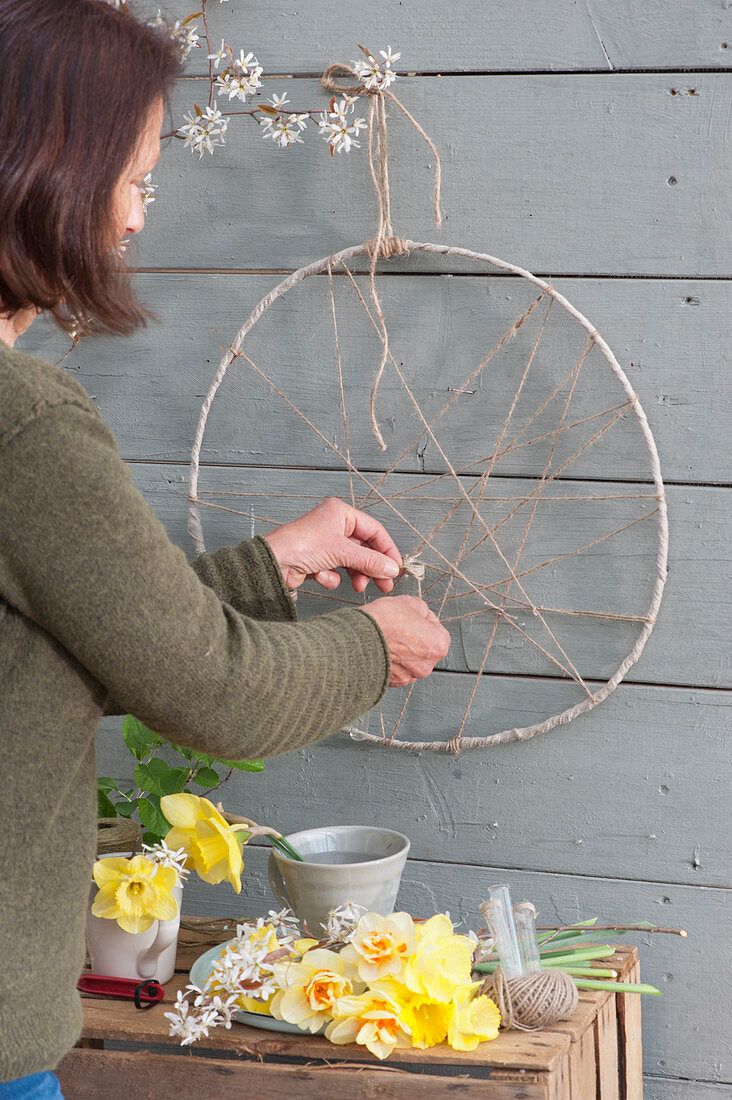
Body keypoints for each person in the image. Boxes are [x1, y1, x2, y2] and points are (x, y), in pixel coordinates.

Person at [0, 1, 450, 1093]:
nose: (136, 221)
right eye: (137, 178)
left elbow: (43, 656)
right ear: (52, 168)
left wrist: (268, 568)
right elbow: (213, 692)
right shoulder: (24, 422)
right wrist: (371, 643)